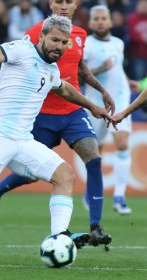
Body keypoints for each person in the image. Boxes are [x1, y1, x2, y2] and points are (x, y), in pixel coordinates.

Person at [0, 15, 113, 250]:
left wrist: (93, 106)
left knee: (64, 176)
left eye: (64, 43)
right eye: (55, 40)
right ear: (42, 36)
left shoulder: (52, 69)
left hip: (22, 139)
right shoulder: (21, 49)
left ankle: (60, 236)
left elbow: (64, 89)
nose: (59, 47)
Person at [0, 0, 115, 247]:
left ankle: (95, 227)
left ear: (76, 5)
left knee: (94, 159)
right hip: (41, 112)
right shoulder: (35, 32)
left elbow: (78, 66)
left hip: (73, 111)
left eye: (68, 2)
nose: (63, 6)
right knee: (32, 173)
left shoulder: (80, 34)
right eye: (58, 1)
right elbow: (15, 65)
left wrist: (102, 90)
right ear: (50, 3)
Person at [83, 5, 136, 215]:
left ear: (110, 22)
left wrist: (127, 80)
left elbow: (118, 68)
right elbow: (80, 75)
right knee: (94, 153)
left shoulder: (118, 43)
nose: (100, 21)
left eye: (103, 18)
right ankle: (92, 190)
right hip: (96, 103)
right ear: (90, 23)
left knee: (122, 143)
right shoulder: (85, 44)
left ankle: (119, 197)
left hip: (120, 99)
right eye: (95, 18)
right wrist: (99, 70)